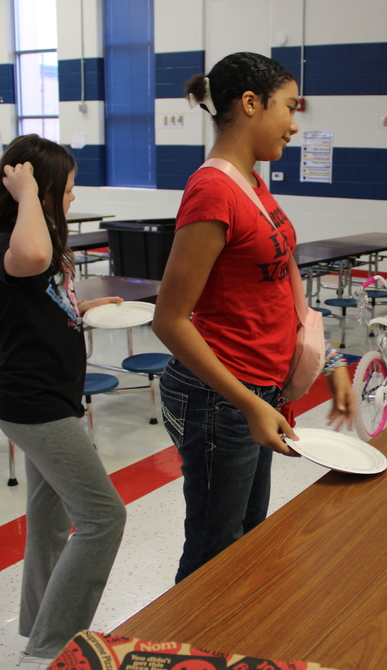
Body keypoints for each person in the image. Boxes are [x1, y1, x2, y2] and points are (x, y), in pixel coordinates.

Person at [152, 52, 355, 583]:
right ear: (249, 104)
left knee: (246, 537)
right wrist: (247, 405)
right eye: (289, 108)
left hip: (257, 390)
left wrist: (327, 357)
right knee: (213, 553)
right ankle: (183, 655)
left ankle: (221, 651)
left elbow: (281, 294)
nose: (293, 124)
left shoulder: (253, 184)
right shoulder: (213, 190)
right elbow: (170, 319)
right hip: (221, 396)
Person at [0, 134, 127, 670]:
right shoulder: (2, 244)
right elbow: (29, 259)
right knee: (105, 517)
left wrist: (82, 308)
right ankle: (49, 650)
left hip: (52, 399)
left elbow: (42, 299)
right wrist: (29, 190)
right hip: (35, 406)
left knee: (50, 521)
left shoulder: (38, 239)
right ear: (35, 190)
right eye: (69, 188)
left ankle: (37, 627)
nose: (73, 198)